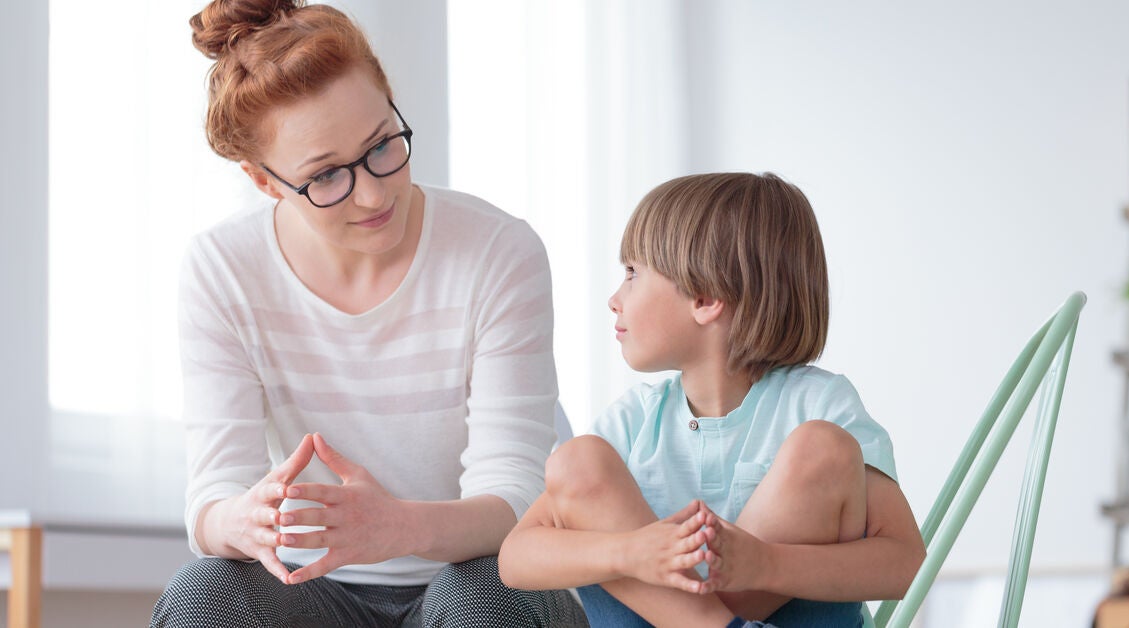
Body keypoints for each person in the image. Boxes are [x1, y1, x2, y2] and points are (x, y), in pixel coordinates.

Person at [150, 1, 585, 626]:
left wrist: (400, 527)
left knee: (487, 601)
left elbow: (515, 500)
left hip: (470, 572)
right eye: (326, 176)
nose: (377, 193)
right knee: (208, 593)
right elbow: (213, 500)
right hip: (313, 588)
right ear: (264, 181)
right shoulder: (223, 268)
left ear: (392, 105)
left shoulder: (498, 251)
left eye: (383, 144)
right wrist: (239, 519)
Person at [497, 172, 927, 627]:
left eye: (632, 274)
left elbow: (905, 563)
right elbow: (515, 558)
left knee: (824, 446)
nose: (614, 299)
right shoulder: (633, 422)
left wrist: (766, 562)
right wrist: (631, 552)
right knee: (576, 460)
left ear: (705, 298)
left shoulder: (820, 405)